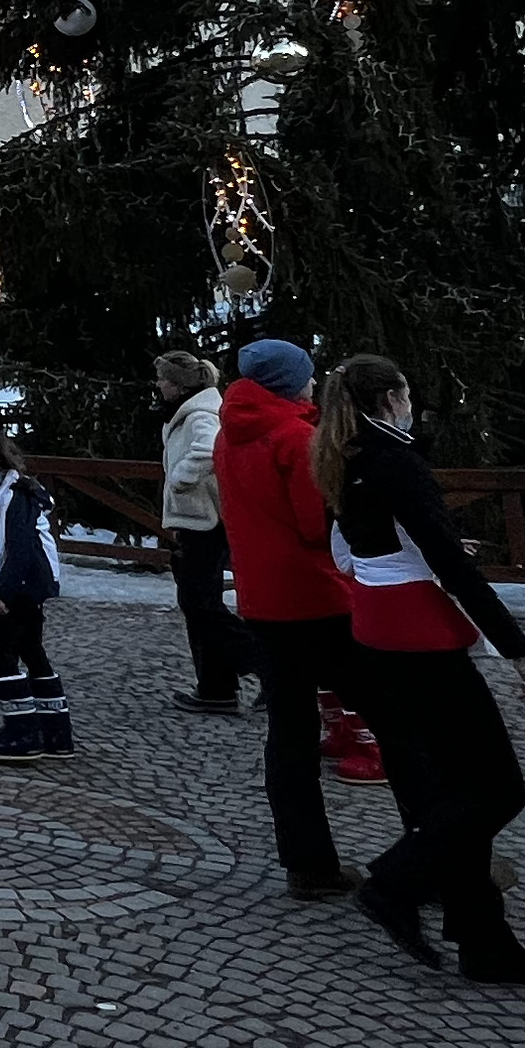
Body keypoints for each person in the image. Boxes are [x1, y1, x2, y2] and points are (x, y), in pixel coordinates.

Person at [312, 354, 525, 984]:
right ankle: (395, 883)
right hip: (419, 635)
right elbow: (453, 567)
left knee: (457, 792)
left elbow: (348, 547)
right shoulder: (394, 458)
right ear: (393, 397)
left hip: (377, 625)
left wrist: (407, 558)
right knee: (499, 790)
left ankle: (483, 939)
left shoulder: (342, 453)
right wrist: (519, 652)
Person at [217, 340, 374, 898]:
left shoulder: (229, 431)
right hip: (317, 599)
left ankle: (306, 863)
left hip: (263, 601)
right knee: (392, 716)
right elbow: (315, 527)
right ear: (292, 382)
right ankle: (434, 854)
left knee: (289, 736)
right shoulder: (296, 437)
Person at [0, 435, 69, 759]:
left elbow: (19, 547)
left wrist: (3, 593)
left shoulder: (16, 494)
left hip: (22, 586)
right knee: (31, 651)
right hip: (11, 585)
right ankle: (55, 732)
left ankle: (22, 731)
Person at [155, 351, 249, 715]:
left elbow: (209, 450)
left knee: (201, 605)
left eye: (163, 379)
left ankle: (262, 661)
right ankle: (216, 687)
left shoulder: (199, 416)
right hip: (195, 521)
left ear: (179, 384)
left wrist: (181, 480)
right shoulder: (186, 413)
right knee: (198, 606)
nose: (158, 385)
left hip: (205, 522)